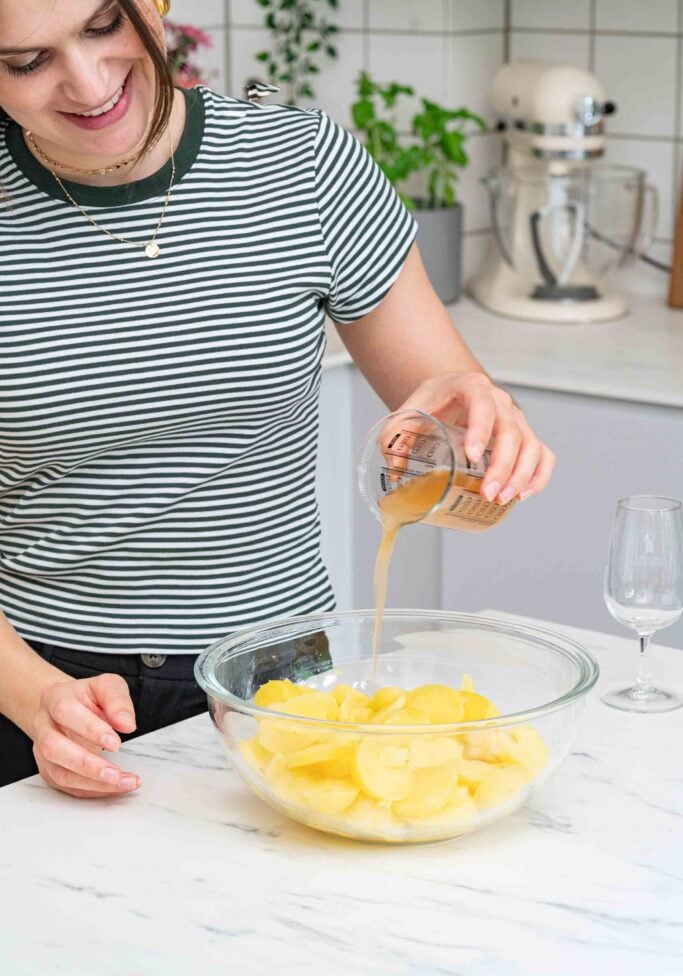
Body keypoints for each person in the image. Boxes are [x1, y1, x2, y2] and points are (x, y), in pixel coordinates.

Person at [0, 0, 556, 796]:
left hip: (282, 685)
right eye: (26, 62)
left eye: (101, 28)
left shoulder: (299, 164)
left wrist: (481, 430)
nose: (87, 84)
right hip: (39, 690)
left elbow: (452, 426)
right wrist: (33, 698)